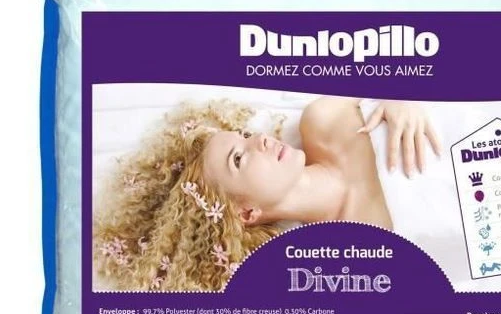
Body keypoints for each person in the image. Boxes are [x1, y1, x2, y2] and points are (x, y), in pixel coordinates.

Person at [94, 97, 440, 291]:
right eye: (239, 158)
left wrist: (401, 97)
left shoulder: (324, 119)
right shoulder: (339, 262)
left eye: (245, 135)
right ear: (246, 213)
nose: (259, 139)